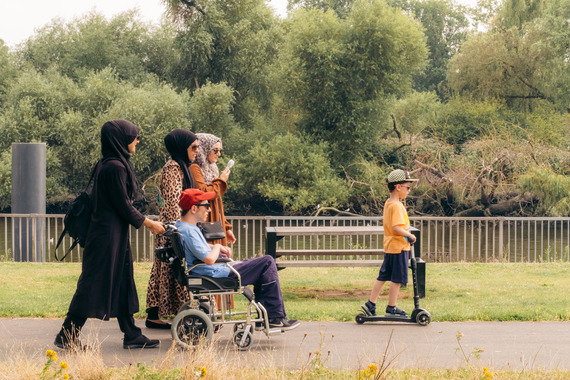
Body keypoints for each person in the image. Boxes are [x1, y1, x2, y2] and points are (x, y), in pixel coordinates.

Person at [54, 120, 165, 350]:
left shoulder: (109, 163)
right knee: (92, 285)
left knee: (123, 281)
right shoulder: (115, 167)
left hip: (112, 234)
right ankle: (67, 334)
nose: (137, 140)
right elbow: (123, 206)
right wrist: (149, 224)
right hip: (105, 237)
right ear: (120, 139)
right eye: (134, 136)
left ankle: (132, 333)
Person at [175, 188, 300, 331]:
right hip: (216, 274)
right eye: (206, 206)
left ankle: (270, 317)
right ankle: (274, 318)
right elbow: (209, 260)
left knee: (261, 266)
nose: (209, 210)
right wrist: (216, 247)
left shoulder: (182, 226)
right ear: (193, 208)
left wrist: (214, 246)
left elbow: (196, 248)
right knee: (268, 262)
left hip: (212, 271)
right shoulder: (190, 231)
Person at [145, 129, 199, 329]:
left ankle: (161, 314)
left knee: (167, 272)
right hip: (172, 230)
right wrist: (180, 230)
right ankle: (160, 315)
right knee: (171, 271)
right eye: (193, 147)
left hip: (176, 228)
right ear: (181, 147)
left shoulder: (182, 166)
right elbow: (172, 202)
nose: (196, 151)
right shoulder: (173, 168)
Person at [361, 169, 418, 317]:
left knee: (383, 276)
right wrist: (410, 235)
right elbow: (397, 227)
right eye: (408, 187)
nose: (409, 190)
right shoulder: (397, 206)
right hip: (399, 247)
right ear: (398, 187)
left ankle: (370, 304)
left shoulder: (389, 203)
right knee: (397, 279)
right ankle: (391, 307)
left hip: (390, 246)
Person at [190, 133, 235, 246]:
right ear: (204, 149)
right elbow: (203, 192)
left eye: (220, 150)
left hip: (214, 221)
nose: (218, 154)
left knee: (219, 256)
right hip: (203, 220)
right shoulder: (194, 167)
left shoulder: (212, 168)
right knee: (209, 255)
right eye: (215, 150)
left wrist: (226, 227)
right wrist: (221, 181)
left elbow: (217, 202)